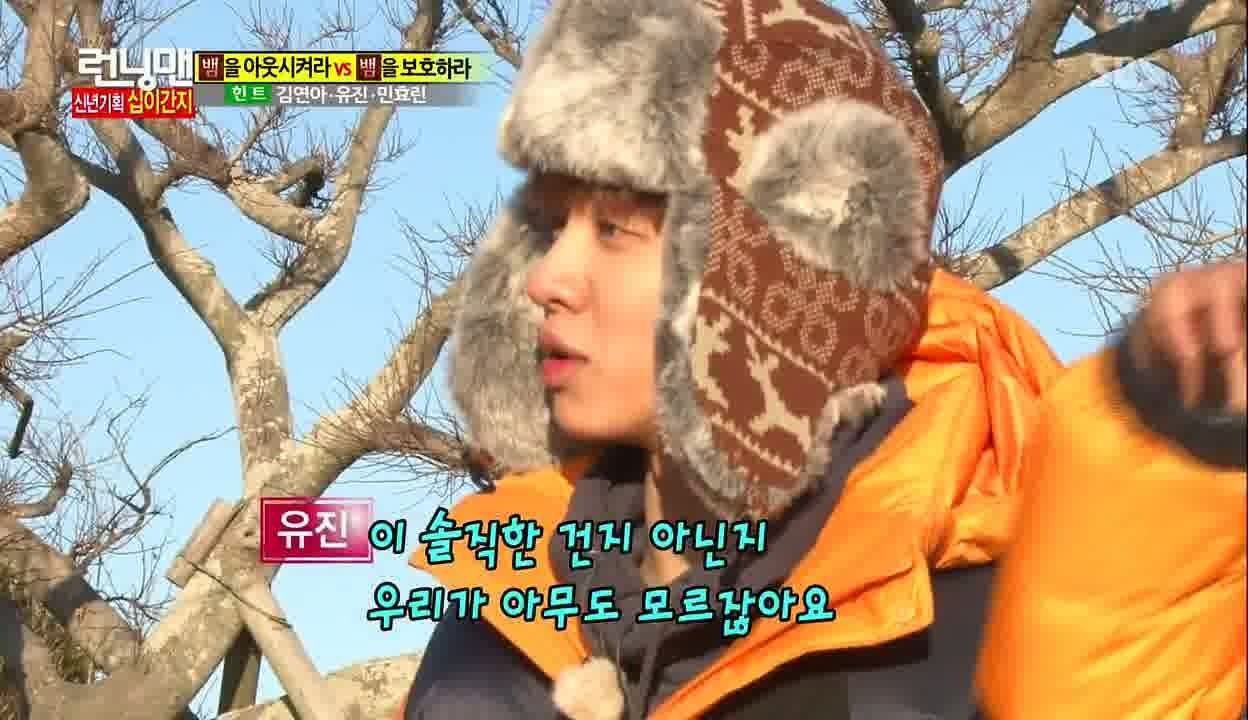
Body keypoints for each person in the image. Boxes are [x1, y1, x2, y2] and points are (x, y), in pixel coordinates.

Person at [395, 0, 1247, 718]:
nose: (544, 278)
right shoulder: (499, 618)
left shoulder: (989, 624)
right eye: (552, 225)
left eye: (614, 228)